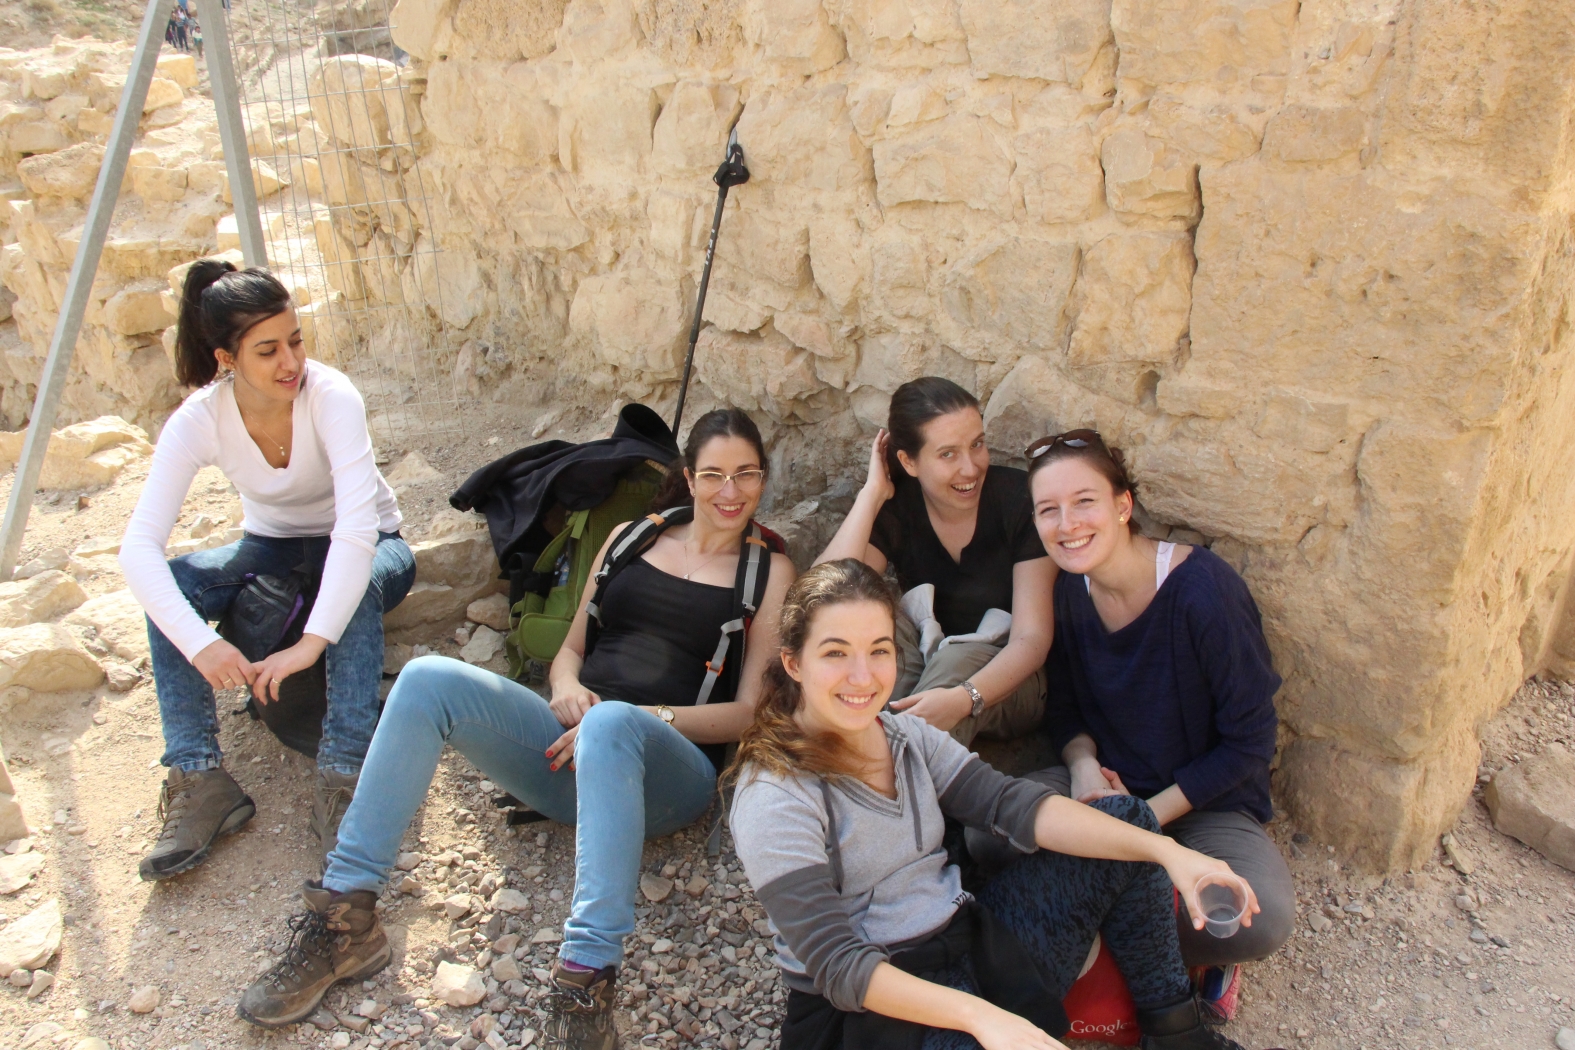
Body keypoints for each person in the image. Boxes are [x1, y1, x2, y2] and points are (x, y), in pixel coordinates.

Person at [234, 409, 794, 1050]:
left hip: (669, 775)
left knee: (613, 721)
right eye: (715, 475)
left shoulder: (768, 572)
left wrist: (634, 717)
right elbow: (571, 651)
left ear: (762, 479)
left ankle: (585, 982)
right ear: (689, 478)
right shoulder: (632, 537)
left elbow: (750, 714)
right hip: (570, 748)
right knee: (426, 679)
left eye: (746, 475)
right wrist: (566, 688)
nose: (730, 491)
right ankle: (346, 915)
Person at [730, 559, 1271, 1050]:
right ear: (793, 663)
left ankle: (1176, 1034)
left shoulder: (904, 736)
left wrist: (1170, 854)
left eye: (879, 650)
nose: (862, 676)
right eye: (835, 653)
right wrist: (983, 1018)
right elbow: (838, 967)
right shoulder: (775, 796)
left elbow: (1015, 807)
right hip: (876, 1014)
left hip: (968, 949)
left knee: (1130, 821)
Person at [120, 261, 414, 883]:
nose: (291, 362)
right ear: (227, 359)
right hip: (273, 548)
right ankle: (200, 777)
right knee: (176, 580)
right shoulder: (200, 418)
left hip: (374, 545)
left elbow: (356, 535)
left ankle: (346, 773)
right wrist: (200, 644)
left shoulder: (331, 396)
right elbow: (138, 548)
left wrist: (310, 645)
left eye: (295, 341)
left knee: (354, 579)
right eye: (268, 350)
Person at [1015, 429, 1294, 971]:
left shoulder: (1204, 592)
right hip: (1109, 790)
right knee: (991, 833)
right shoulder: (1070, 588)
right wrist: (1082, 766)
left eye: (1084, 502)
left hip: (1204, 806)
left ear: (1123, 506)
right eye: (1049, 510)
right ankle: (1134, 935)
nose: (1067, 524)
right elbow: (1065, 706)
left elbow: (1250, 742)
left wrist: (1140, 821)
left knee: (1261, 918)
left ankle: (1089, 925)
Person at [816, 377, 1053, 745]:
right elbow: (821, 599)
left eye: (977, 445)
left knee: (954, 663)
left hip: (1007, 678)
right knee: (866, 621)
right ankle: (882, 749)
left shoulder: (1020, 501)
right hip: (926, 660)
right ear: (909, 462)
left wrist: (963, 698)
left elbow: (1032, 639)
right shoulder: (901, 506)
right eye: (948, 454)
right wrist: (872, 493)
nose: (970, 468)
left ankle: (881, 761)